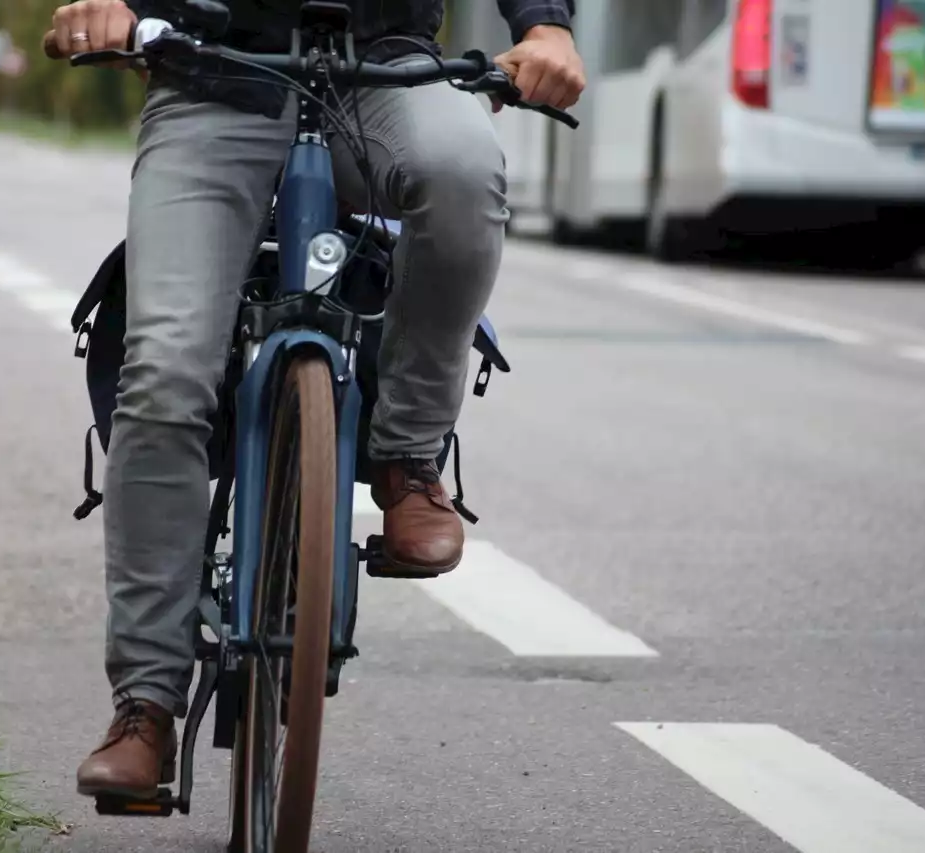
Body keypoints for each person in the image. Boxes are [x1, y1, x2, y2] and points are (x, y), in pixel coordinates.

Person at [42, 0, 585, 800]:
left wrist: (547, 27)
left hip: (385, 69)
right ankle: (146, 707)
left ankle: (407, 460)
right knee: (162, 374)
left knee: (466, 174)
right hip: (210, 74)